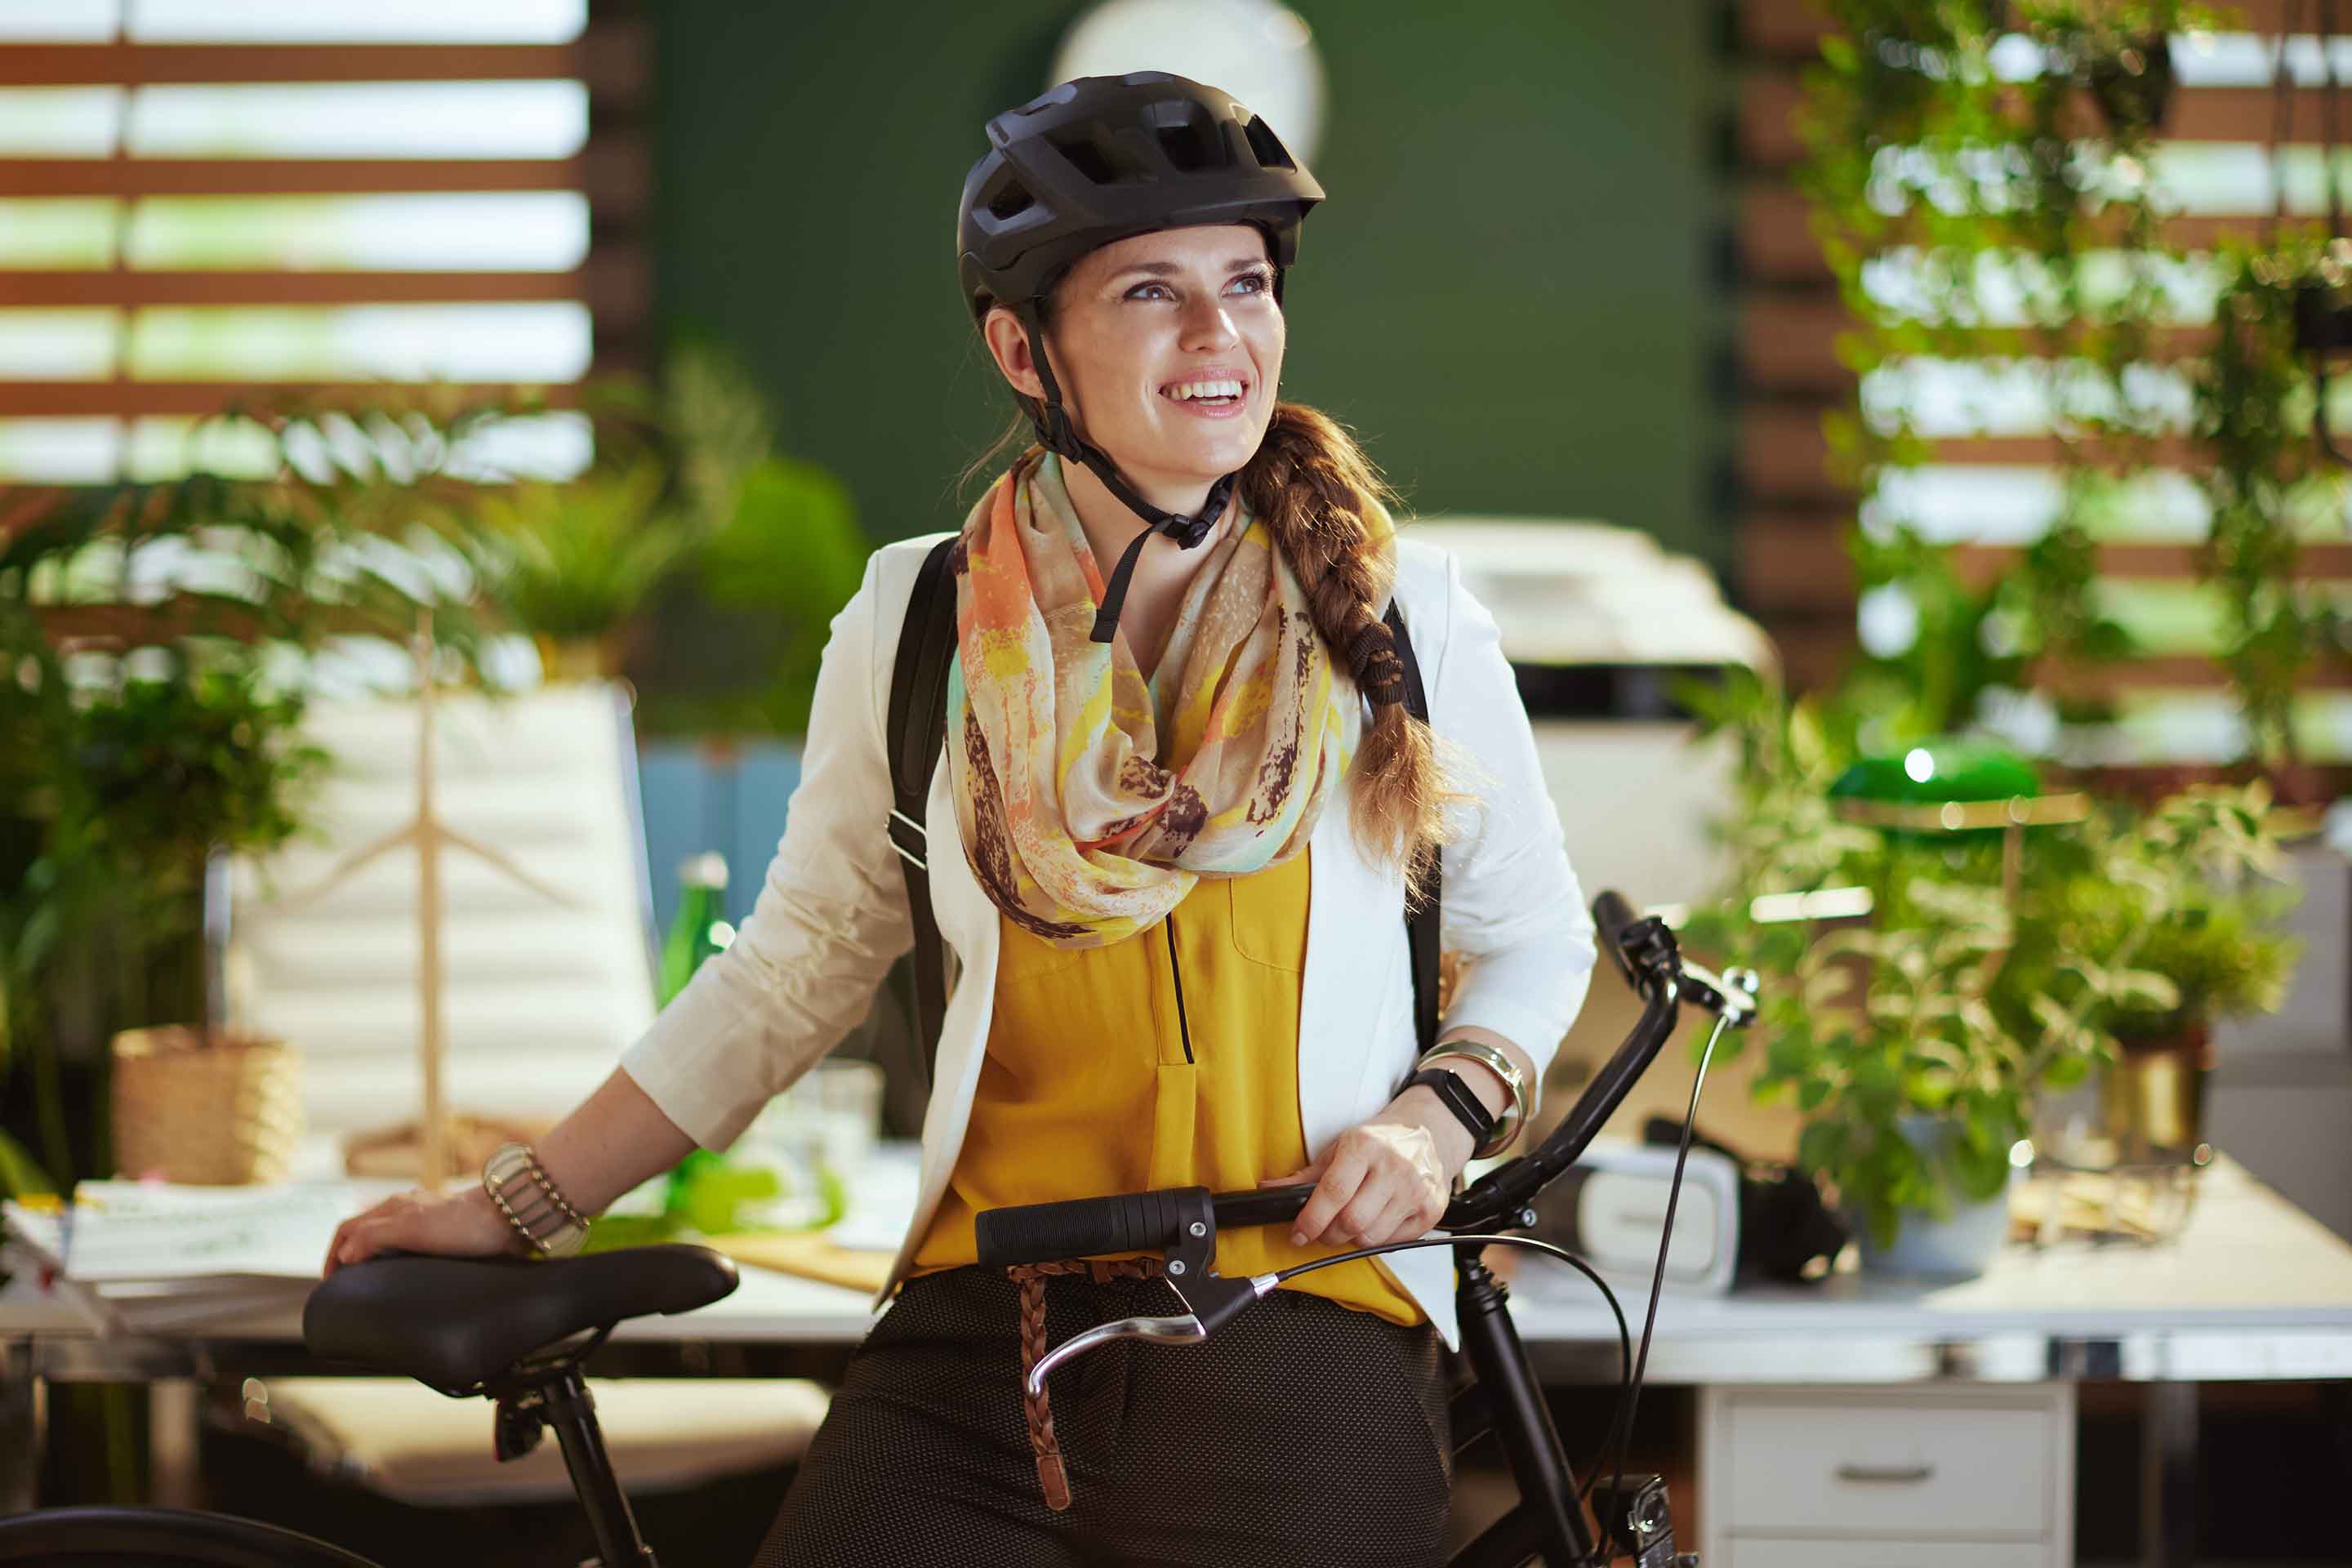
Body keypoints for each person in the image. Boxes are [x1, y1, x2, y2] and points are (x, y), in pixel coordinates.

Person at [322, 71, 1596, 1568]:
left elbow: (1533, 943)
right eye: (1150, 292)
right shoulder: (915, 623)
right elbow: (791, 968)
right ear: (1022, 346)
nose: (1220, 337)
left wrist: (1433, 1122)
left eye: (1246, 285)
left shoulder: (1404, 621)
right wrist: (523, 1202)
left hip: (1300, 1316)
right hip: (987, 1328)